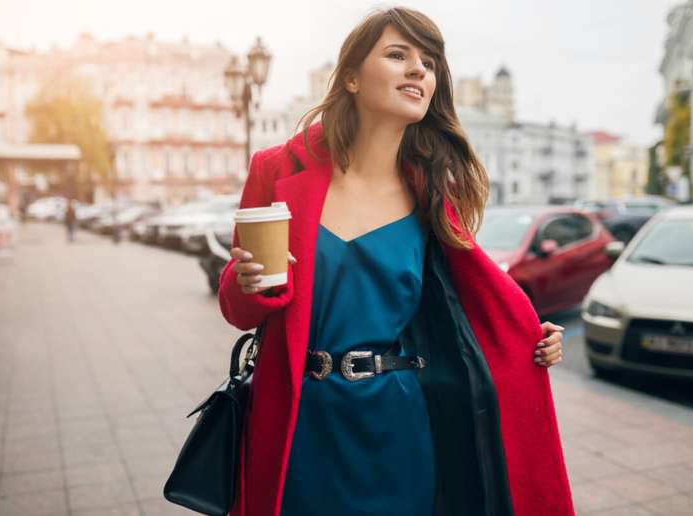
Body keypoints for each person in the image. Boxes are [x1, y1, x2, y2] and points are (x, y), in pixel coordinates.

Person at [218, 7, 572, 516]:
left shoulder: (430, 192)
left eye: (428, 63)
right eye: (397, 55)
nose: (418, 71)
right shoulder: (277, 170)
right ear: (352, 78)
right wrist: (247, 282)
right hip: (298, 418)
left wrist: (527, 339)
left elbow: (473, 302)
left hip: (397, 420)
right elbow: (237, 308)